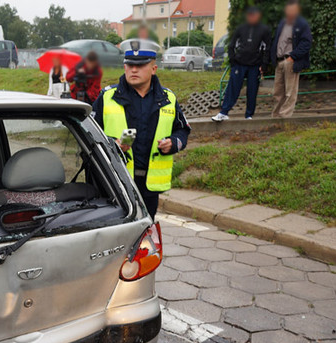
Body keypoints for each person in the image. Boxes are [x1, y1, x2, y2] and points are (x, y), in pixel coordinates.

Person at [92, 40, 191, 220]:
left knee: (145, 233)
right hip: (115, 181)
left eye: (140, 65)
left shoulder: (168, 98)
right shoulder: (106, 97)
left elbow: (182, 130)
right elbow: (89, 133)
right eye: (129, 65)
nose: (134, 70)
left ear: (153, 69)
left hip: (149, 184)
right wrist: (111, 143)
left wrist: (173, 143)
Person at [211, 6, 272, 121]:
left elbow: (267, 48)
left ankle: (249, 115)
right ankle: (224, 112)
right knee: (232, 88)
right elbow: (231, 45)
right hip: (239, 64)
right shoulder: (240, 28)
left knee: (252, 90)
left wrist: (264, 65)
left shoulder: (264, 30)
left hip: (255, 66)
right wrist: (233, 60)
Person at [270, 0, 312, 118]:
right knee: (278, 92)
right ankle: (276, 116)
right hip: (279, 61)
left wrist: (293, 57)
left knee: (290, 92)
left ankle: (285, 117)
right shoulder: (282, 23)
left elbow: (307, 43)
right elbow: (276, 41)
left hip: (290, 61)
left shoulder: (302, 24)